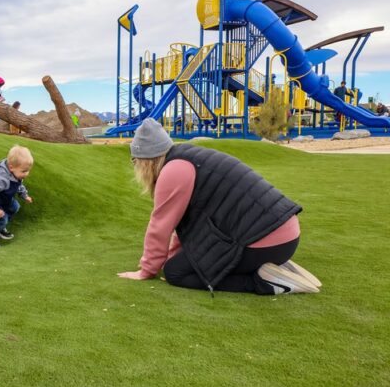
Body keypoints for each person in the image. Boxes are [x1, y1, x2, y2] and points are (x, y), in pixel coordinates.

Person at [118, 118, 321, 295]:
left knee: (176, 273)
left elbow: (160, 225)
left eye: (135, 161)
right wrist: (171, 257)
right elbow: (185, 224)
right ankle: (271, 266)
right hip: (283, 235)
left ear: (146, 161)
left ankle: (265, 282)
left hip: (263, 241)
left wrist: (147, 270)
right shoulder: (188, 157)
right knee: (177, 264)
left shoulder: (173, 171)